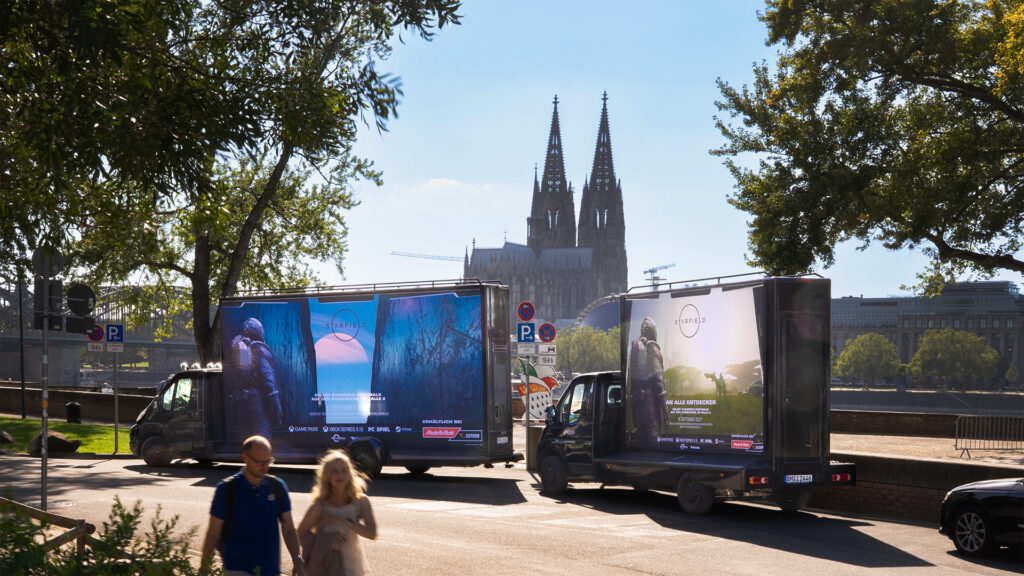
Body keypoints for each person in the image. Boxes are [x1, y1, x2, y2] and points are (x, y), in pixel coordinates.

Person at [201, 436, 304, 576]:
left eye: (268, 461)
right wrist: (204, 567)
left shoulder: (277, 487)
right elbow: (213, 533)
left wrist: (297, 558)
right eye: (258, 462)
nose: (264, 467)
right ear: (245, 457)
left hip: (271, 571)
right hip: (237, 570)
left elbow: (289, 529)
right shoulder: (227, 489)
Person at [297, 450, 377, 576]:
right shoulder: (320, 506)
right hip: (325, 567)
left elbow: (372, 533)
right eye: (334, 471)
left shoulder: (361, 501)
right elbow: (300, 534)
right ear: (327, 476)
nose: (340, 475)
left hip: (353, 567)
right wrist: (327, 543)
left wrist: (347, 522)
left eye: (344, 470)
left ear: (350, 473)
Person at [227, 317, 285, 442]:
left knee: (246, 437)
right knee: (263, 434)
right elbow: (269, 381)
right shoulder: (260, 351)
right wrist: (277, 405)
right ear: (259, 331)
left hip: (241, 400)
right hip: (256, 400)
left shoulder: (239, 348)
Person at [629, 316, 667, 448]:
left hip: (637, 400)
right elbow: (658, 378)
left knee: (641, 436)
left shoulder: (634, 345)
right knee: (653, 437)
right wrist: (664, 407)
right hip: (650, 400)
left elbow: (632, 376)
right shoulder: (652, 347)